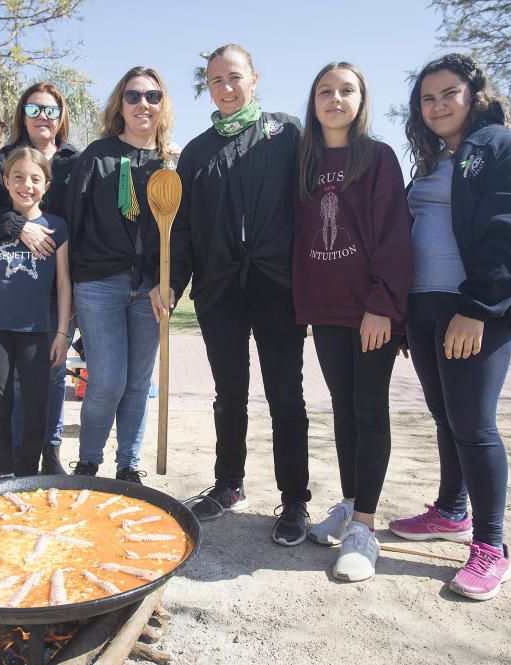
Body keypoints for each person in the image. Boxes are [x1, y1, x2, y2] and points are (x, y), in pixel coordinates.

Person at [389, 54, 511, 600]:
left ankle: (492, 546)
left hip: (473, 309)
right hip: (425, 305)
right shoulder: (435, 158)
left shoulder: (506, 150)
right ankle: (451, 510)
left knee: (475, 425)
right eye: (426, 99)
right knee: (445, 416)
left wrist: (477, 308)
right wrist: (408, 313)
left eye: (447, 94)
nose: (437, 106)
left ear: (473, 94)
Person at [176, 44, 311, 546]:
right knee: (228, 395)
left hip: (279, 289)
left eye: (234, 77)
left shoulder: (288, 133)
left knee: (285, 396)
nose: (226, 87)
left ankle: (294, 499)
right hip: (220, 292)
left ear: (254, 78)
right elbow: (183, 228)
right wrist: (172, 285)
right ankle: (228, 485)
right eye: (215, 81)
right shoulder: (195, 152)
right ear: (207, 88)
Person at [292, 62, 412, 580]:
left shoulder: (378, 158)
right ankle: (349, 500)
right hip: (324, 307)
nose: (335, 99)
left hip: (371, 311)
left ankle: (364, 527)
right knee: (342, 407)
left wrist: (383, 303)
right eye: (325, 91)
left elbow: (394, 235)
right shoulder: (301, 160)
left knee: (368, 408)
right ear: (313, 100)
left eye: (347, 91)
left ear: (361, 101)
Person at [64, 66, 182, 484]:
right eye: (133, 96)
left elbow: (180, 236)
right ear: (120, 104)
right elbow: (72, 225)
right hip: (98, 285)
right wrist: (68, 297)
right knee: (108, 381)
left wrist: (168, 286)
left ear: (162, 103)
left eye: (152, 96)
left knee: (137, 383)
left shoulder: (171, 164)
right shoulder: (97, 156)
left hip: (150, 289)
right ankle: (89, 460)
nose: (142, 104)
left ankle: (128, 465)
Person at [0, 82, 81, 474]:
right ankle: (11, 463)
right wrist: (18, 227)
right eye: (33, 110)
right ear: (22, 116)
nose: (42, 117)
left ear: (61, 115)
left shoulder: (76, 160)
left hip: (55, 295)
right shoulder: (2, 162)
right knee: (6, 392)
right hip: (6, 304)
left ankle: (48, 452)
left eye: (50, 109)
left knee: (48, 383)